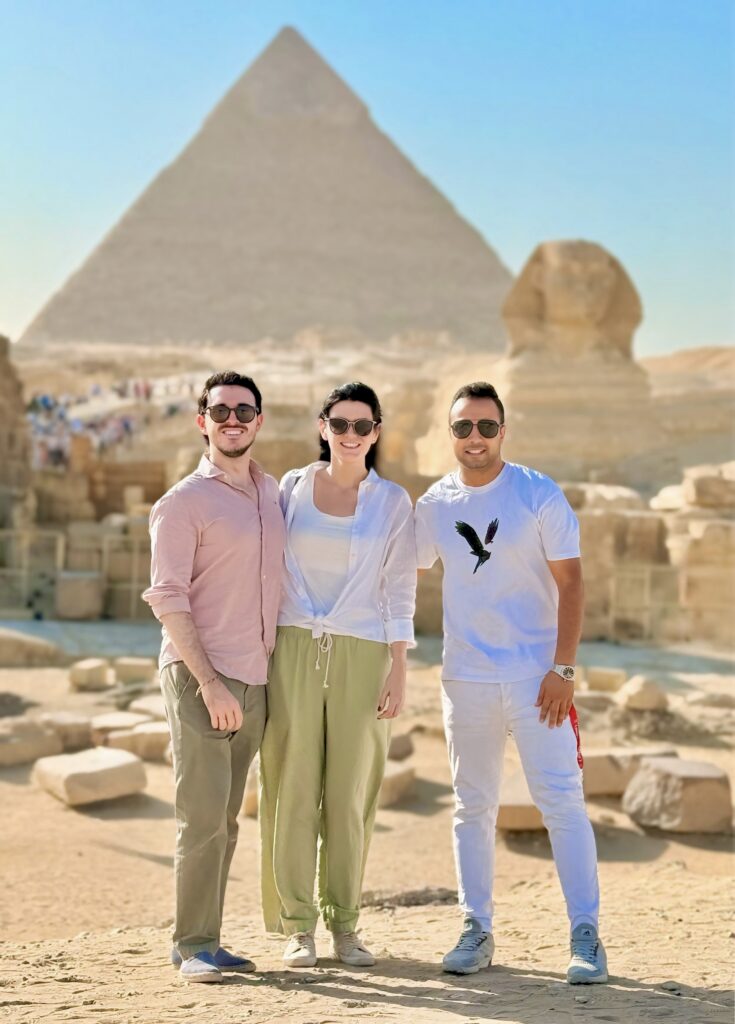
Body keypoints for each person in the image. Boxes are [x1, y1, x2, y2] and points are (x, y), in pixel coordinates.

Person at [414, 381, 607, 985]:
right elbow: (398, 572)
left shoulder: (537, 492)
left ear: (503, 431)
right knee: (472, 807)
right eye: (463, 427)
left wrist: (564, 669)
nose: (475, 438)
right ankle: (475, 929)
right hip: (466, 678)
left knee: (563, 803)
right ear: (450, 434)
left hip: (537, 680)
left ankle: (585, 935)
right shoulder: (434, 504)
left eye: (486, 426)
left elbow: (572, 582)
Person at [259, 381, 417, 969]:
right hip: (293, 649)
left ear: (376, 433)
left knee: (350, 794)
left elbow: (400, 587)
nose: (351, 435)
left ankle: (345, 925)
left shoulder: (392, 502)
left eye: (362, 425)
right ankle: (298, 926)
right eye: (340, 424)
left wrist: (399, 667)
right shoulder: (291, 488)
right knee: (292, 787)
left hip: (365, 653)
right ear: (323, 427)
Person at [142, 370, 285, 984]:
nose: (232, 420)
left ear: (258, 421)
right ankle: (193, 943)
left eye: (243, 411)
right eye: (220, 411)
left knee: (225, 820)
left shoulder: (271, 493)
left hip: (255, 677)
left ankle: (206, 939)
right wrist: (208, 683)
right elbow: (167, 597)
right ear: (202, 421)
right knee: (200, 816)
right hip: (202, 676)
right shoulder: (182, 503)